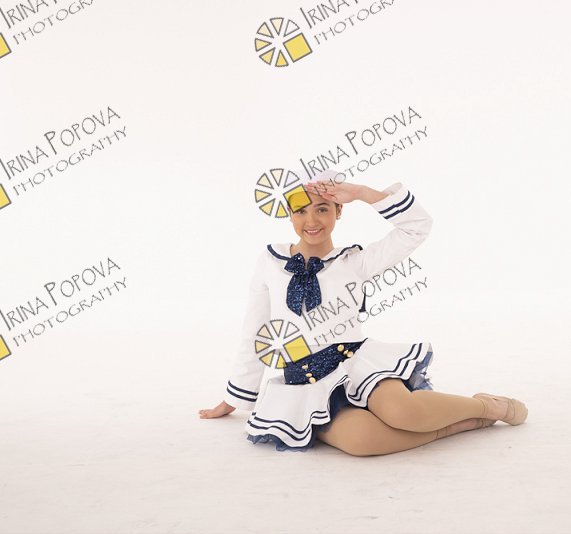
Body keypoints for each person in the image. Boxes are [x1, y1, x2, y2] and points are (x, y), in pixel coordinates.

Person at [198, 169, 527, 456]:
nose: (311, 221)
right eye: (300, 211)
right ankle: (464, 424)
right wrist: (235, 397)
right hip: (306, 382)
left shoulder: (354, 261)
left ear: (338, 210)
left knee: (403, 412)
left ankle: (487, 405)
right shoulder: (270, 262)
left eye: (322, 209)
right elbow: (255, 333)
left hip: (356, 364)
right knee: (362, 441)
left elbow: (417, 227)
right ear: (289, 214)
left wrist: (361, 193)